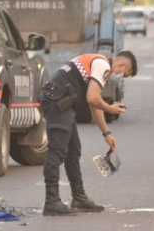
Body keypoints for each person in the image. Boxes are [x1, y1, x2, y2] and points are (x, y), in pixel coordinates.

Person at [39, 51, 138, 216]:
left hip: (62, 102)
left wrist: (106, 133)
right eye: (124, 75)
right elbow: (92, 98)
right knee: (57, 152)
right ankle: (51, 201)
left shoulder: (100, 64)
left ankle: (79, 198)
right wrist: (111, 108)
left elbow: (94, 104)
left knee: (73, 150)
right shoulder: (103, 65)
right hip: (57, 101)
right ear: (121, 65)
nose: (121, 78)